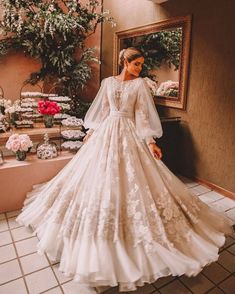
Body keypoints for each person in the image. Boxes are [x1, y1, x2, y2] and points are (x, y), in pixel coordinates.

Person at [16, 47, 232, 292]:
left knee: (133, 180)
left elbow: (141, 115)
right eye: (136, 64)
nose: (139, 68)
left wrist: (150, 142)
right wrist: (93, 133)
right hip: (106, 133)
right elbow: (105, 111)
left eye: (140, 64)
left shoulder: (140, 85)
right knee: (94, 177)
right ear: (124, 63)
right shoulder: (108, 83)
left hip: (129, 134)